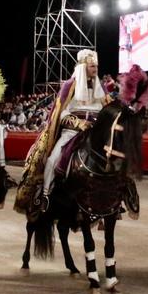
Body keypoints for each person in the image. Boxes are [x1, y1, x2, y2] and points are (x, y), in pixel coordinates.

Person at [14, 49, 109, 214]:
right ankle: (45, 195)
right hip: (72, 132)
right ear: (83, 66)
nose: (95, 69)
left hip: (96, 132)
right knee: (52, 160)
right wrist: (78, 123)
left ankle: (115, 196)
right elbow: (60, 112)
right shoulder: (69, 86)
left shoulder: (101, 87)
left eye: (96, 66)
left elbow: (108, 108)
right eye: (92, 66)